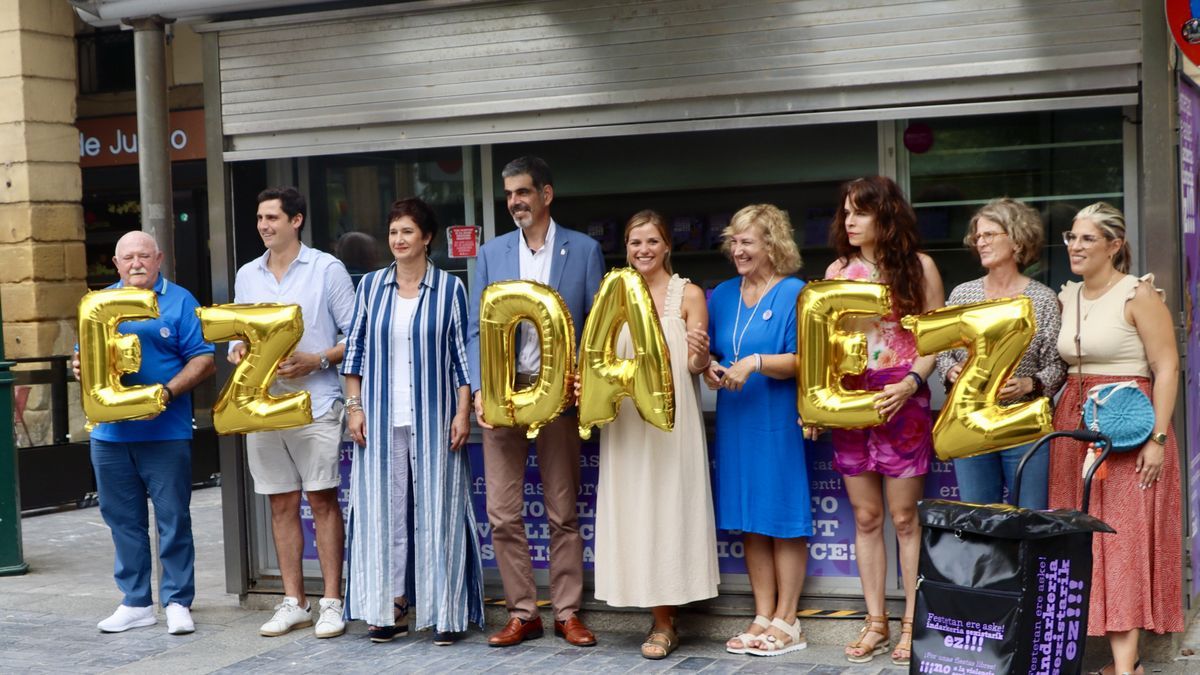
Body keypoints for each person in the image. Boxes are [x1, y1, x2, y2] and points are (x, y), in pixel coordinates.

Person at [466, 156, 605, 648]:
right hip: (504, 395)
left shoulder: (583, 250)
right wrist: (480, 388)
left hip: (559, 397)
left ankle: (567, 612)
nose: (515, 202)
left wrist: (584, 382)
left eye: (523, 192)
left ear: (546, 194)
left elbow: (595, 327)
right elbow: (475, 328)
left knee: (562, 511)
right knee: (503, 513)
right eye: (508, 195)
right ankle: (523, 613)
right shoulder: (491, 253)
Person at [341, 198, 485, 645]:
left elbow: (463, 360)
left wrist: (463, 413)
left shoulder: (450, 289)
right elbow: (355, 354)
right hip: (381, 418)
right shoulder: (370, 287)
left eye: (407, 232)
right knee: (383, 515)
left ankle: (446, 611)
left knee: (439, 511)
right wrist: (354, 408)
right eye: (393, 233)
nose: (399, 240)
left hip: (436, 416)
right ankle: (390, 607)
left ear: (426, 238)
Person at [1048, 202, 1182, 675]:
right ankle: (1114, 661)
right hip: (1076, 426)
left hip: (1129, 426)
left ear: (1114, 245)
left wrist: (1158, 439)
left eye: (1087, 238)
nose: (1075, 246)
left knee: (1122, 541)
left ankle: (1126, 669)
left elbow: (1167, 367)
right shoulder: (1067, 296)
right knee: (1082, 538)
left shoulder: (1138, 294)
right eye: (1071, 236)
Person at [823, 176, 944, 666]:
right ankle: (875, 620)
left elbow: (935, 340)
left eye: (861, 212)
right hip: (850, 400)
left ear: (885, 216)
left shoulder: (920, 268)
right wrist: (817, 404)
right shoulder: (836, 271)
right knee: (867, 517)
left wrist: (912, 383)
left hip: (903, 395)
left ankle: (914, 621)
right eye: (846, 212)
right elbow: (824, 346)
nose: (849, 220)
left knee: (903, 517)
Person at [591, 210, 719, 659]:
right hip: (625, 422)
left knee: (667, 510)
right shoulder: (612, 293)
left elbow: (695, 369)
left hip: (671, 422)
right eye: (633, 242)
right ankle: (645, 604)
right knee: (634, 509)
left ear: (667, 245)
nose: (642, 250)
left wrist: (701, 357)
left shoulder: (689, 294)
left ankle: (666, 622)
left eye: (650, 242)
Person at [74, 231, 215, 635]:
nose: (136, 263)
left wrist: (167, 393)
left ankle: (177, 601)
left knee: (173, 519)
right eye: (127, 257)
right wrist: (80, 369)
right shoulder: (97, 304)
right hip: (110, 436)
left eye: (143, 256)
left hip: (165, 433)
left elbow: (203, 359)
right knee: (123, 521)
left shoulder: (181, 300)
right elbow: (83, 358)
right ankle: (136, 602)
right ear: (116, 264)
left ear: (159, 259)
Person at [230, 187, 356, 639]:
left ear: (296, 220)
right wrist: (238, 349)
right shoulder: (248, 274)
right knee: (280, 503)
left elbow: (356, 337)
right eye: (260, 218)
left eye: (273, 218)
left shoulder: (327, 269)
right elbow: (238, 335)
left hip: (317, 402)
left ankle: (332, 603)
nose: (264, 225)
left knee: (322, 501)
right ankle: (293, 602)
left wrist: (317, 359)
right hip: (263, 407)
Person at [703, 204, 810, 657]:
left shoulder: (795, 293)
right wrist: (708, 366)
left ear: (772, 245)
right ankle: (763, 613)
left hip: (777, 418)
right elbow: (710, 353)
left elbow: (806, 360)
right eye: (734, 241)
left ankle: (790, 618)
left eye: (747, 241)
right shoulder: (722, 294)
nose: (738, 249)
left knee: (781, 518)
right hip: (736, 418)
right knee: (750, 519)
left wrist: (757, 362)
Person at [935, 198, 1066, 508]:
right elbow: (944, 352)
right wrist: (950, 370)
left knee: (1028, 519)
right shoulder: (963, 294)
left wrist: (1030, 384)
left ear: (1017, 239)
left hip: (1023, 422)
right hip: (971, 422)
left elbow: (1057, 365)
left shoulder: (1042, 300)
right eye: (978, 237)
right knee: (979, 521)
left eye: (990, 235)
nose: (981, 242)